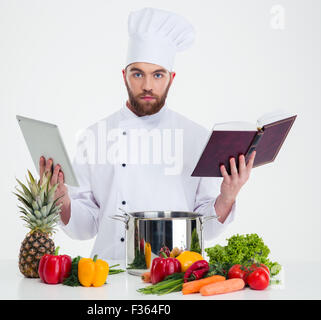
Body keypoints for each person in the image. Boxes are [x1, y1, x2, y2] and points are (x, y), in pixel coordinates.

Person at [38, 7, 255, 260]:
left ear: (171, 78)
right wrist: (62, 198)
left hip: (175, 276)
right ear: (124, 76)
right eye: (138, 74)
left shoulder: (196, 137)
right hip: (108, 273)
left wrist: (227, 196)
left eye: (158, 75)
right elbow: (85, 228)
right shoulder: (94, 137)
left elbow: (205, 229)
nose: (148, 85)